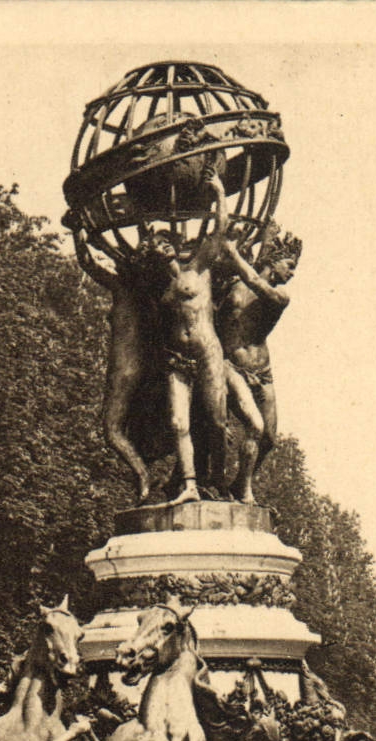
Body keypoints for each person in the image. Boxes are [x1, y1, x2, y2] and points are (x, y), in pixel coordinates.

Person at [136, 164, 233, 505]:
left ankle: (219, 483)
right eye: (156, 244)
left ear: (176, 244)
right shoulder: (161, 289)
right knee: (179, 422)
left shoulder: (199, 267)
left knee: (218, 422)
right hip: (178, 359)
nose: (161, 246)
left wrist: (219, 191)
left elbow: (220, 230)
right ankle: (190, 485)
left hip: (207, 352)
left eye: (166, 241)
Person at [217, 223, 300, 503]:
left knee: (269, 440)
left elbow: (254, 280)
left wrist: (232, 252)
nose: (292, 273)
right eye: (289, 265)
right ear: (274, 261)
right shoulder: (231, 284)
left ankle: (240, 482)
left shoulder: (280, 296)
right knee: (255, 427)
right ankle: (245, 491)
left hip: (262, 372)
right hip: (231, 366)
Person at [74, 229, 156, 505]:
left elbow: (87, 262)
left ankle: (143, 475)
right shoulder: (150, 291)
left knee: (112, 430)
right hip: (151, 367)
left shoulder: (122, 289)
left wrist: (78, 232)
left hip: (124, 369)